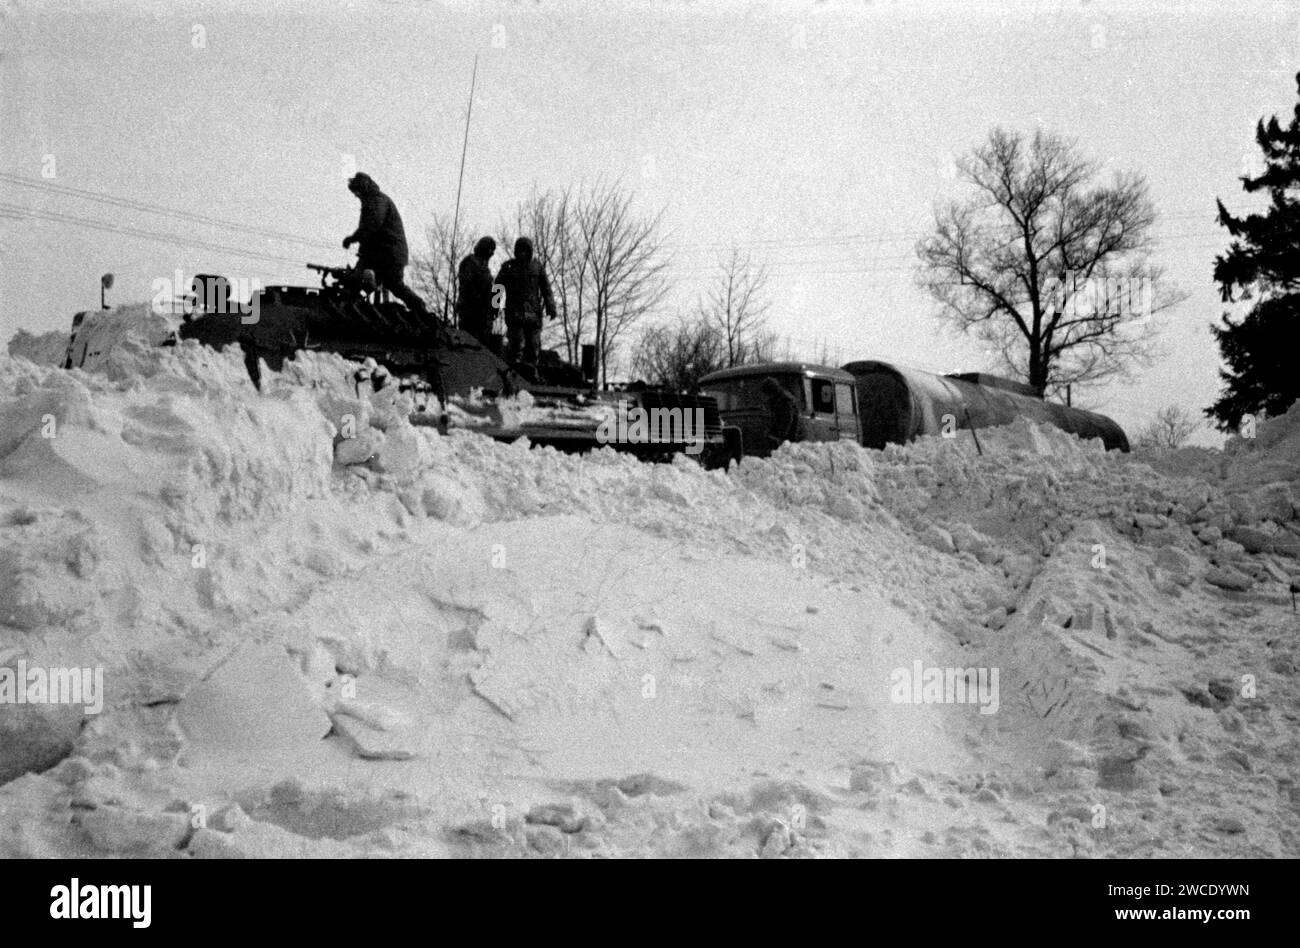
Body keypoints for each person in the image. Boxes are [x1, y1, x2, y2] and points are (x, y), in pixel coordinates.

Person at [341, 173, 429, 315]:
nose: (356, 195)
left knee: (389, 283)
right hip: (383, 252)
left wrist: (352, 239)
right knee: (387, 283)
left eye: (357, 191)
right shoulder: (373, 200)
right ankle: (350, 304)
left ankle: (420, 308)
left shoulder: (377, 201)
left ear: (363, 188)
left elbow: (372, 226)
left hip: (387, 253)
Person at [494, 236, 557, 365]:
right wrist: (494, 306)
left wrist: (551, 306)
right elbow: (498, 287)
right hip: (515, 313)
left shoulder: (537, 267)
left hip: (533, 315)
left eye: (525, 250)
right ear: (516, 251)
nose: (523, 253)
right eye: (520, 250)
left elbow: (546, 288)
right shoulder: (509, 267)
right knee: (516, 345)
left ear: (530, 251)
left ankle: (532, 372)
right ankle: (513, 372)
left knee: (533, 347)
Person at [456, 236, 497, 349]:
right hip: (470, 309)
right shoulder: (470, 262)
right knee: (468, 343)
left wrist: (494, 305)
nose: (491, 253)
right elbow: (466, 284)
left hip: (484, 312)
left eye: (493, 250)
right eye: (489, 249)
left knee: (482, 346)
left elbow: (492, 288)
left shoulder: (485, 267)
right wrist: (477, 299)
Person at [762, 376, 805, 448]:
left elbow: (787, 420)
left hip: (789, 440)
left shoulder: (784, 401)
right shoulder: (778, 399)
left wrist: (778, 436)